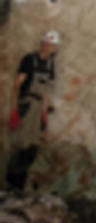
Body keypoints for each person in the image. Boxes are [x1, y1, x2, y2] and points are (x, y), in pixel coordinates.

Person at [6, 30, 59, 191]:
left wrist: (44, 113)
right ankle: (10, 185)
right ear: (43, 43)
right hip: (27, 103)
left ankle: (20, 187)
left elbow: (46, 91)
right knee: (22, 145)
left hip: (38, 106)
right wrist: (14, 110)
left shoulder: (50, 64)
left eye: (53, 45)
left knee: (33, 147)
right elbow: (17, 85)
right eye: (49, 44)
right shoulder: (29, 60)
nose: (51, 47)